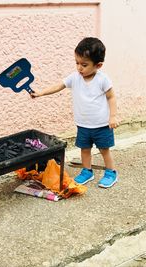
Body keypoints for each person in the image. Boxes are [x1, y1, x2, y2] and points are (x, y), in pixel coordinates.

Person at [31, 37, 119, 188]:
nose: (79, 68)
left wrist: (113, 116)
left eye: (84, 65)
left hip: (102, 125)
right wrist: (41, 93)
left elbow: (111, 97)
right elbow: (59, 86)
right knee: (85, 150)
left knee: (104, 150)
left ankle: (111, 172)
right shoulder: (75, 77)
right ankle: (87, 171)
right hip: (83, 124)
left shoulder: (102, 80)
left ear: (98, 65)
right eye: (77, 63)